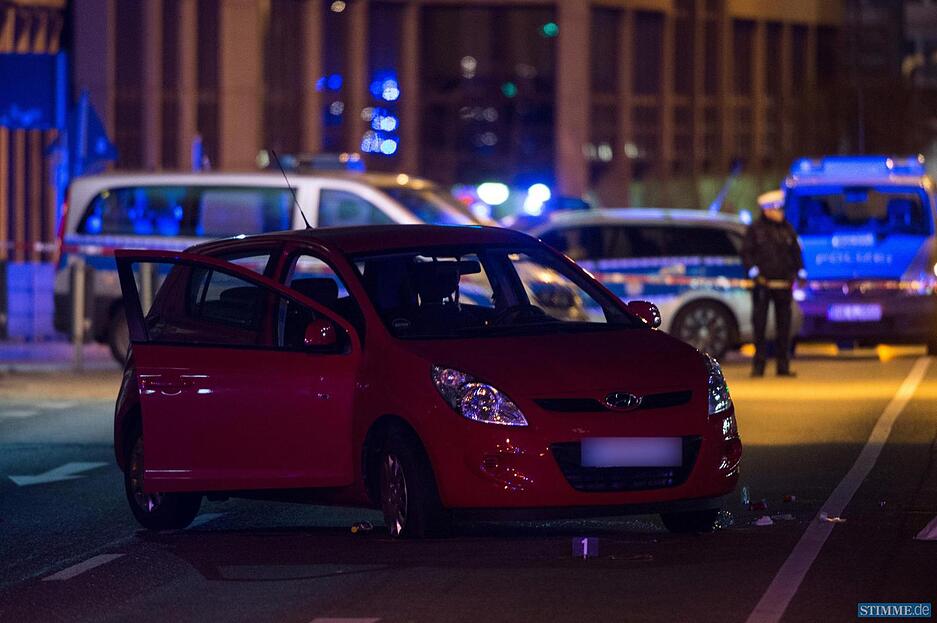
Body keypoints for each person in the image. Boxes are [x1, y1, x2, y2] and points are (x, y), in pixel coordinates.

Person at [741, 190, 806, 377]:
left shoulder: (787, 229)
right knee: (759, 326)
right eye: (778, 209)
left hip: (783, 284)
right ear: (767, 210)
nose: (781, 212)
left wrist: (800, 273)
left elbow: (796, 254)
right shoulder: (755, 230)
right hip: (763, 285)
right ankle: (759, 366)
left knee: (784, 326)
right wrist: (755, 274)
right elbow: (746, 254)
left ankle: (782, 366)